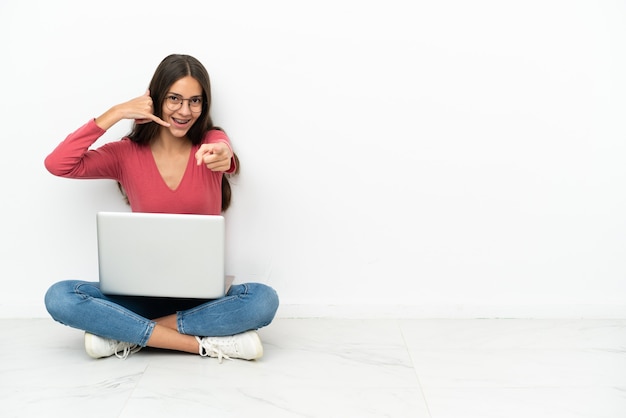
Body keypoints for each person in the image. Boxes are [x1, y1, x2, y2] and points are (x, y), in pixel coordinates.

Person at [43, 54, 279, 361]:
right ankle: (203, 344)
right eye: (174, 99)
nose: (185, 110)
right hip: (140, 295)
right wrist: (115, 113)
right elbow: (58, 164)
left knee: (262, 300)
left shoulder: (209, 143)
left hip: (202, 299)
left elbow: (222, 151)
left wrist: (223, 154)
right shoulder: (124, 154)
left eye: (195, 101)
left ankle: (126, 334)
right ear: (154, 99)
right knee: (60, 297)